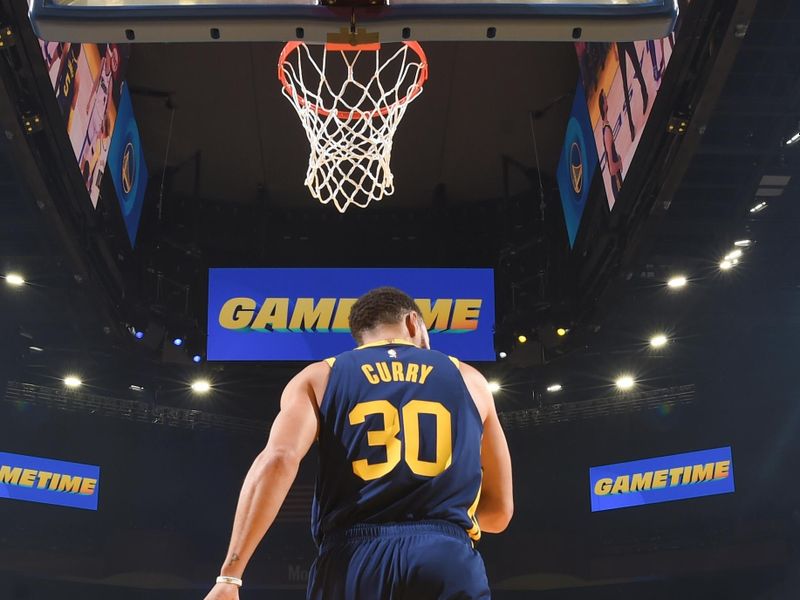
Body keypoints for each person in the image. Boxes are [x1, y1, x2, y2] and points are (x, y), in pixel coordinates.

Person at [204, 286, 513, 600]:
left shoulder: (320, 376)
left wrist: (231, 575)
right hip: (446, 557)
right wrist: (440, 518)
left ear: (360, 336)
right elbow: (500, 512)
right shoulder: (470, 379)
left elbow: (278, 460)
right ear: (412, 323)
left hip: (352, 559)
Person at [599, 89, 624, 202]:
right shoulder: (607, 132)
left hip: (616, 180)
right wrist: (619, 161)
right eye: (605, 99)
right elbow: (612, 169)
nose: (607, 101)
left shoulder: (604, 127)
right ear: (604, 105)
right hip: (617, 181)